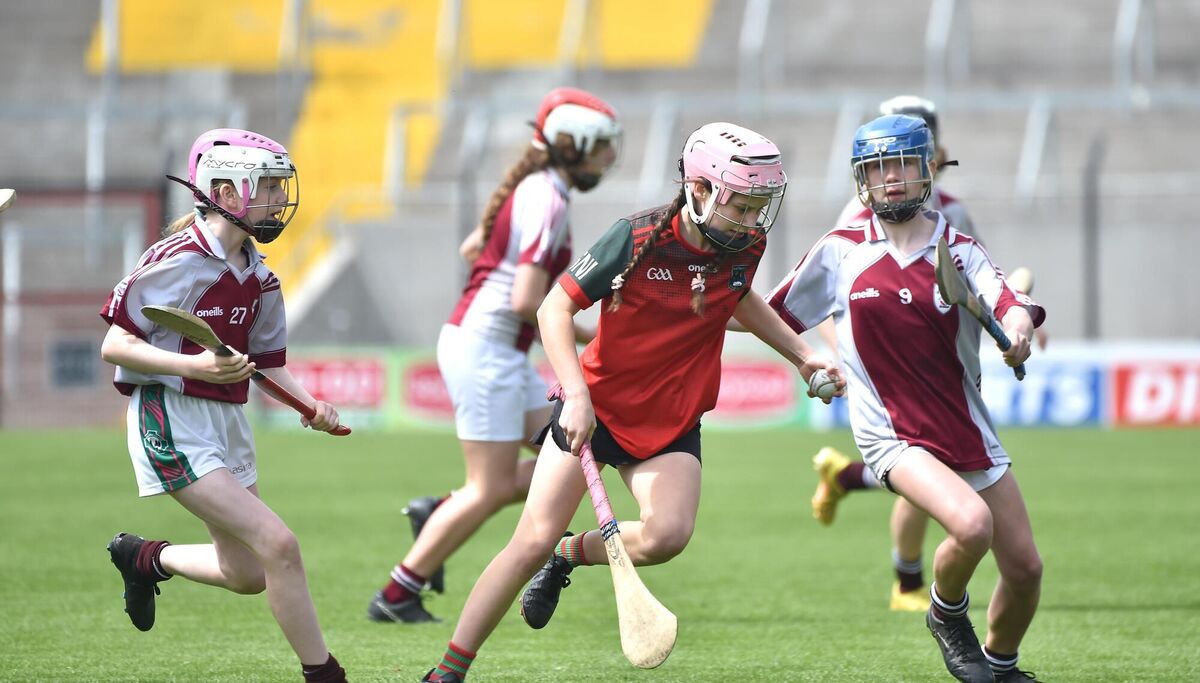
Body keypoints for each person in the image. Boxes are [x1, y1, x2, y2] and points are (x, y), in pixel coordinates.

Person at [415, 122, 841, 682]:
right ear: (700, 188)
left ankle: (569, 555)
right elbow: (551, 309)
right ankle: (447, 672)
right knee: (529, 540)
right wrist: (576, 395)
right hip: (597, 410)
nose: (750, 218)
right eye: (740, 203)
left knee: (667, 537)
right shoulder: (637, 239)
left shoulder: (746, 245)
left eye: (760, 205)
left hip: (672, 421)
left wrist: (801, 355)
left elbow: (737, 296)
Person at [767, 114, 1045, 682]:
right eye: (876, 168)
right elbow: (771, 314)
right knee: (970, 527)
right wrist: (803, 356)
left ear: (928, 171)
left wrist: (1016, 333)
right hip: (891, 435)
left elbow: (1008, 301)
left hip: (965, 427)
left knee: (1025, 569)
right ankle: (945, 612)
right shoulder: (841, 250)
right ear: (860, 179)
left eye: (902, 165)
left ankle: (1002, 664)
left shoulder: (959, 249)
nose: (890, 178)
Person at [99, 129, 348, 683]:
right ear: (225, 190)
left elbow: (268, 365)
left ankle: (145, 559)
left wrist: (311, 407)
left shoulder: (261, 278)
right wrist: (197, 366)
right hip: (170, 417)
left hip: (227, 422)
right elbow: (115, 344)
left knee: (247, 573)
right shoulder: (175, 259)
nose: (275, 201)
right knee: (278, 543)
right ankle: (325, 675)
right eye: (265, 188)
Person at [366, 87, 622, 624]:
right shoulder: (547, 198)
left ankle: (440, 512)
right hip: (487, 353)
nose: (608, 159)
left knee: (574, 453)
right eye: (600, 147)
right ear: (569, 145)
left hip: (488, 349)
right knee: (488, 488)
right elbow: (527, 300)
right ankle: (397, 594)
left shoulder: (532, 187)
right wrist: (590, 333)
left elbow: (472, 250)